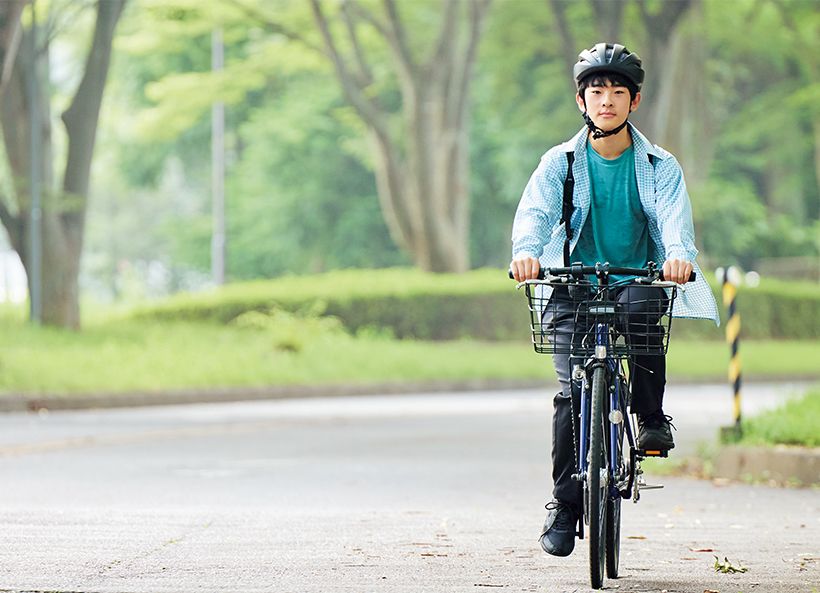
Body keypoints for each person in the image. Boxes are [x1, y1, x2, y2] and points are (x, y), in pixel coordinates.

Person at [509, 42, 719, 558]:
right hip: (570, 284)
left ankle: (650, 418)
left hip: (636, 279)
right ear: (581, 100)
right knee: (568, 395)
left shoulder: (659, 164)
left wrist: (678, 256)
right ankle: (564, 504)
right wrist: (526, 253)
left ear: (634, 101)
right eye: (597, 91)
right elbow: (536, 214)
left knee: (644, 313)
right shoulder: (560, 162)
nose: (607, 100)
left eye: (618, 92)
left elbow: (674, 220)